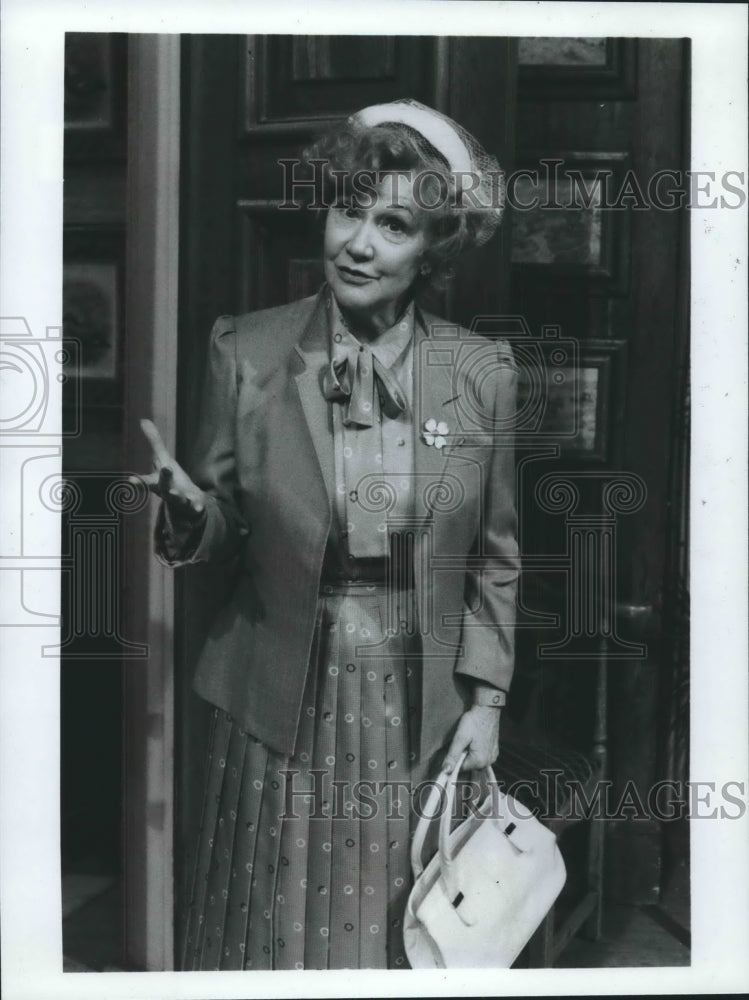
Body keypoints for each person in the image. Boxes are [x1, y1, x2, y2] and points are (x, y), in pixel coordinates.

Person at [137, 98, 520, 971]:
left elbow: (495, 556)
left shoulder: (480, 373)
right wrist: (192, 519)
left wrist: (486, 701)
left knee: (399, 927)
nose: (358, 242)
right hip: (274, 692)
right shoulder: (248, 351)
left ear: (435, 247)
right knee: (262, 922)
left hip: (413, 701)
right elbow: (225, 528)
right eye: (349, 208)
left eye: (394, 224)